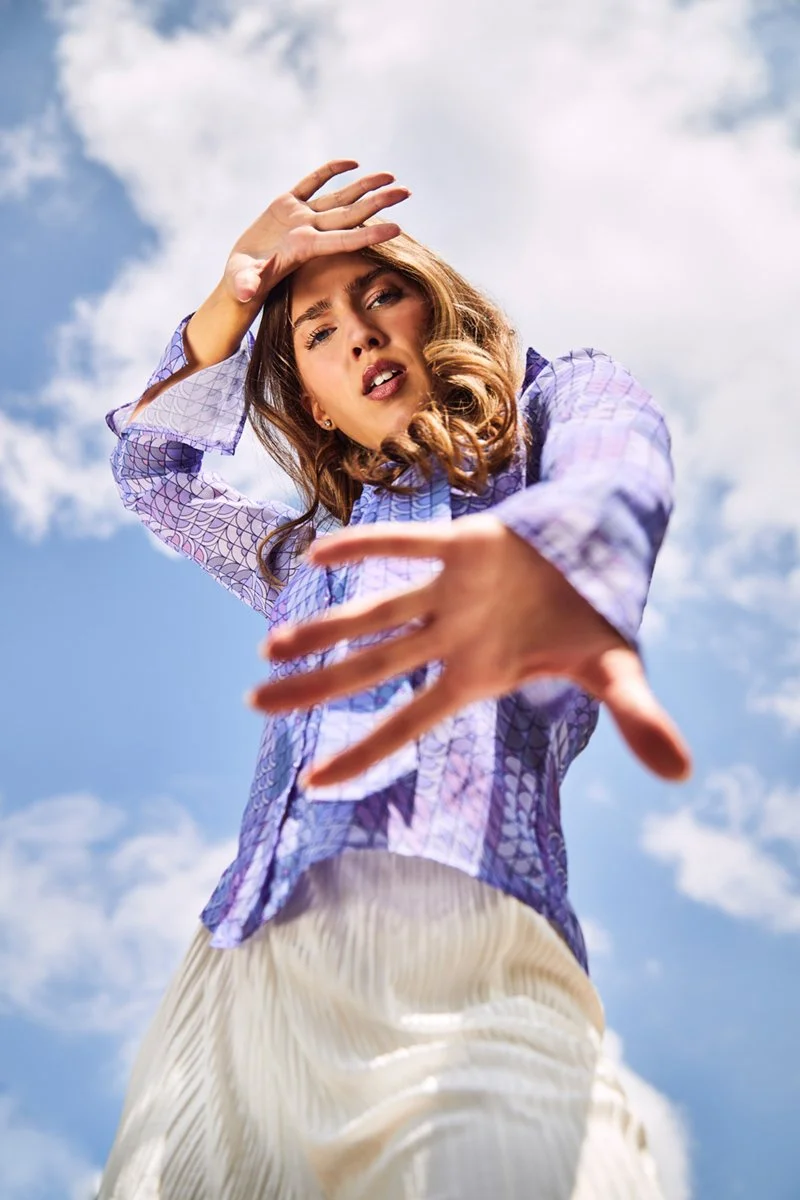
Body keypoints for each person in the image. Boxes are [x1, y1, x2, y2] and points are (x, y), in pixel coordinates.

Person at [99, 159, 691, 1200]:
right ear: (318, 409)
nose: (360, 335)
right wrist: (234, 291)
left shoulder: (559, 403)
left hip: (467, 933)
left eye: (381, 295)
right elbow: (151, 477)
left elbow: (617, 462)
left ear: (436, 309)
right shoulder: (301, 560)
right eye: (318, 332)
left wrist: (554, 557)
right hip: (241, 972)